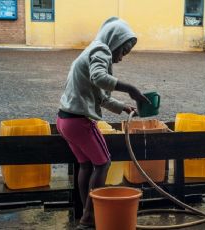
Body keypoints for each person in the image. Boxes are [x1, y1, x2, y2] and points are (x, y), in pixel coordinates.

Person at [56, 17, 150, 230]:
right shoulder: (102, 51)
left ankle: (86, 213)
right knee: (103, 163)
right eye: (122, 52)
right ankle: (89, 218)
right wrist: (132, 89)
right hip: (79, 122)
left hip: (64, 120)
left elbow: (101, 96)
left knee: (87, 165)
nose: (121, 58)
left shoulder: (93, 50)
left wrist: (123, 108)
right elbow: (99, 77)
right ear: (114, 42)